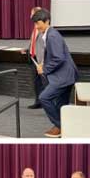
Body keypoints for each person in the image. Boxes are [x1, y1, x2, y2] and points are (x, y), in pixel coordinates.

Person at [32, 9, 79, 138]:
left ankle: (61, 126)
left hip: (63, 76)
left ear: (47, 21)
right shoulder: (48, 33)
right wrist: (44, 64)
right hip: (66, 75)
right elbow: (54, 56)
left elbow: (58, 58)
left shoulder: (52, 35)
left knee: (44, 98)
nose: (36, 27)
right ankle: (63, 126)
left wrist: (44, 69)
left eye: (38, 23)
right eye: (35, 24)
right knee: (61, 104)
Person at [21, 7, 45, 109]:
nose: (30, 16)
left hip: (41, 60)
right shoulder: (35, 27)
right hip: (33, 58)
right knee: (36, 82)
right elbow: (34, 42)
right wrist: (27, 49)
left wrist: (43, 62)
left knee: (44, 82)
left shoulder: (43, 29)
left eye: (32, 14)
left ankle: (45, 102)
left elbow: (45, 46)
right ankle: (38, 101)